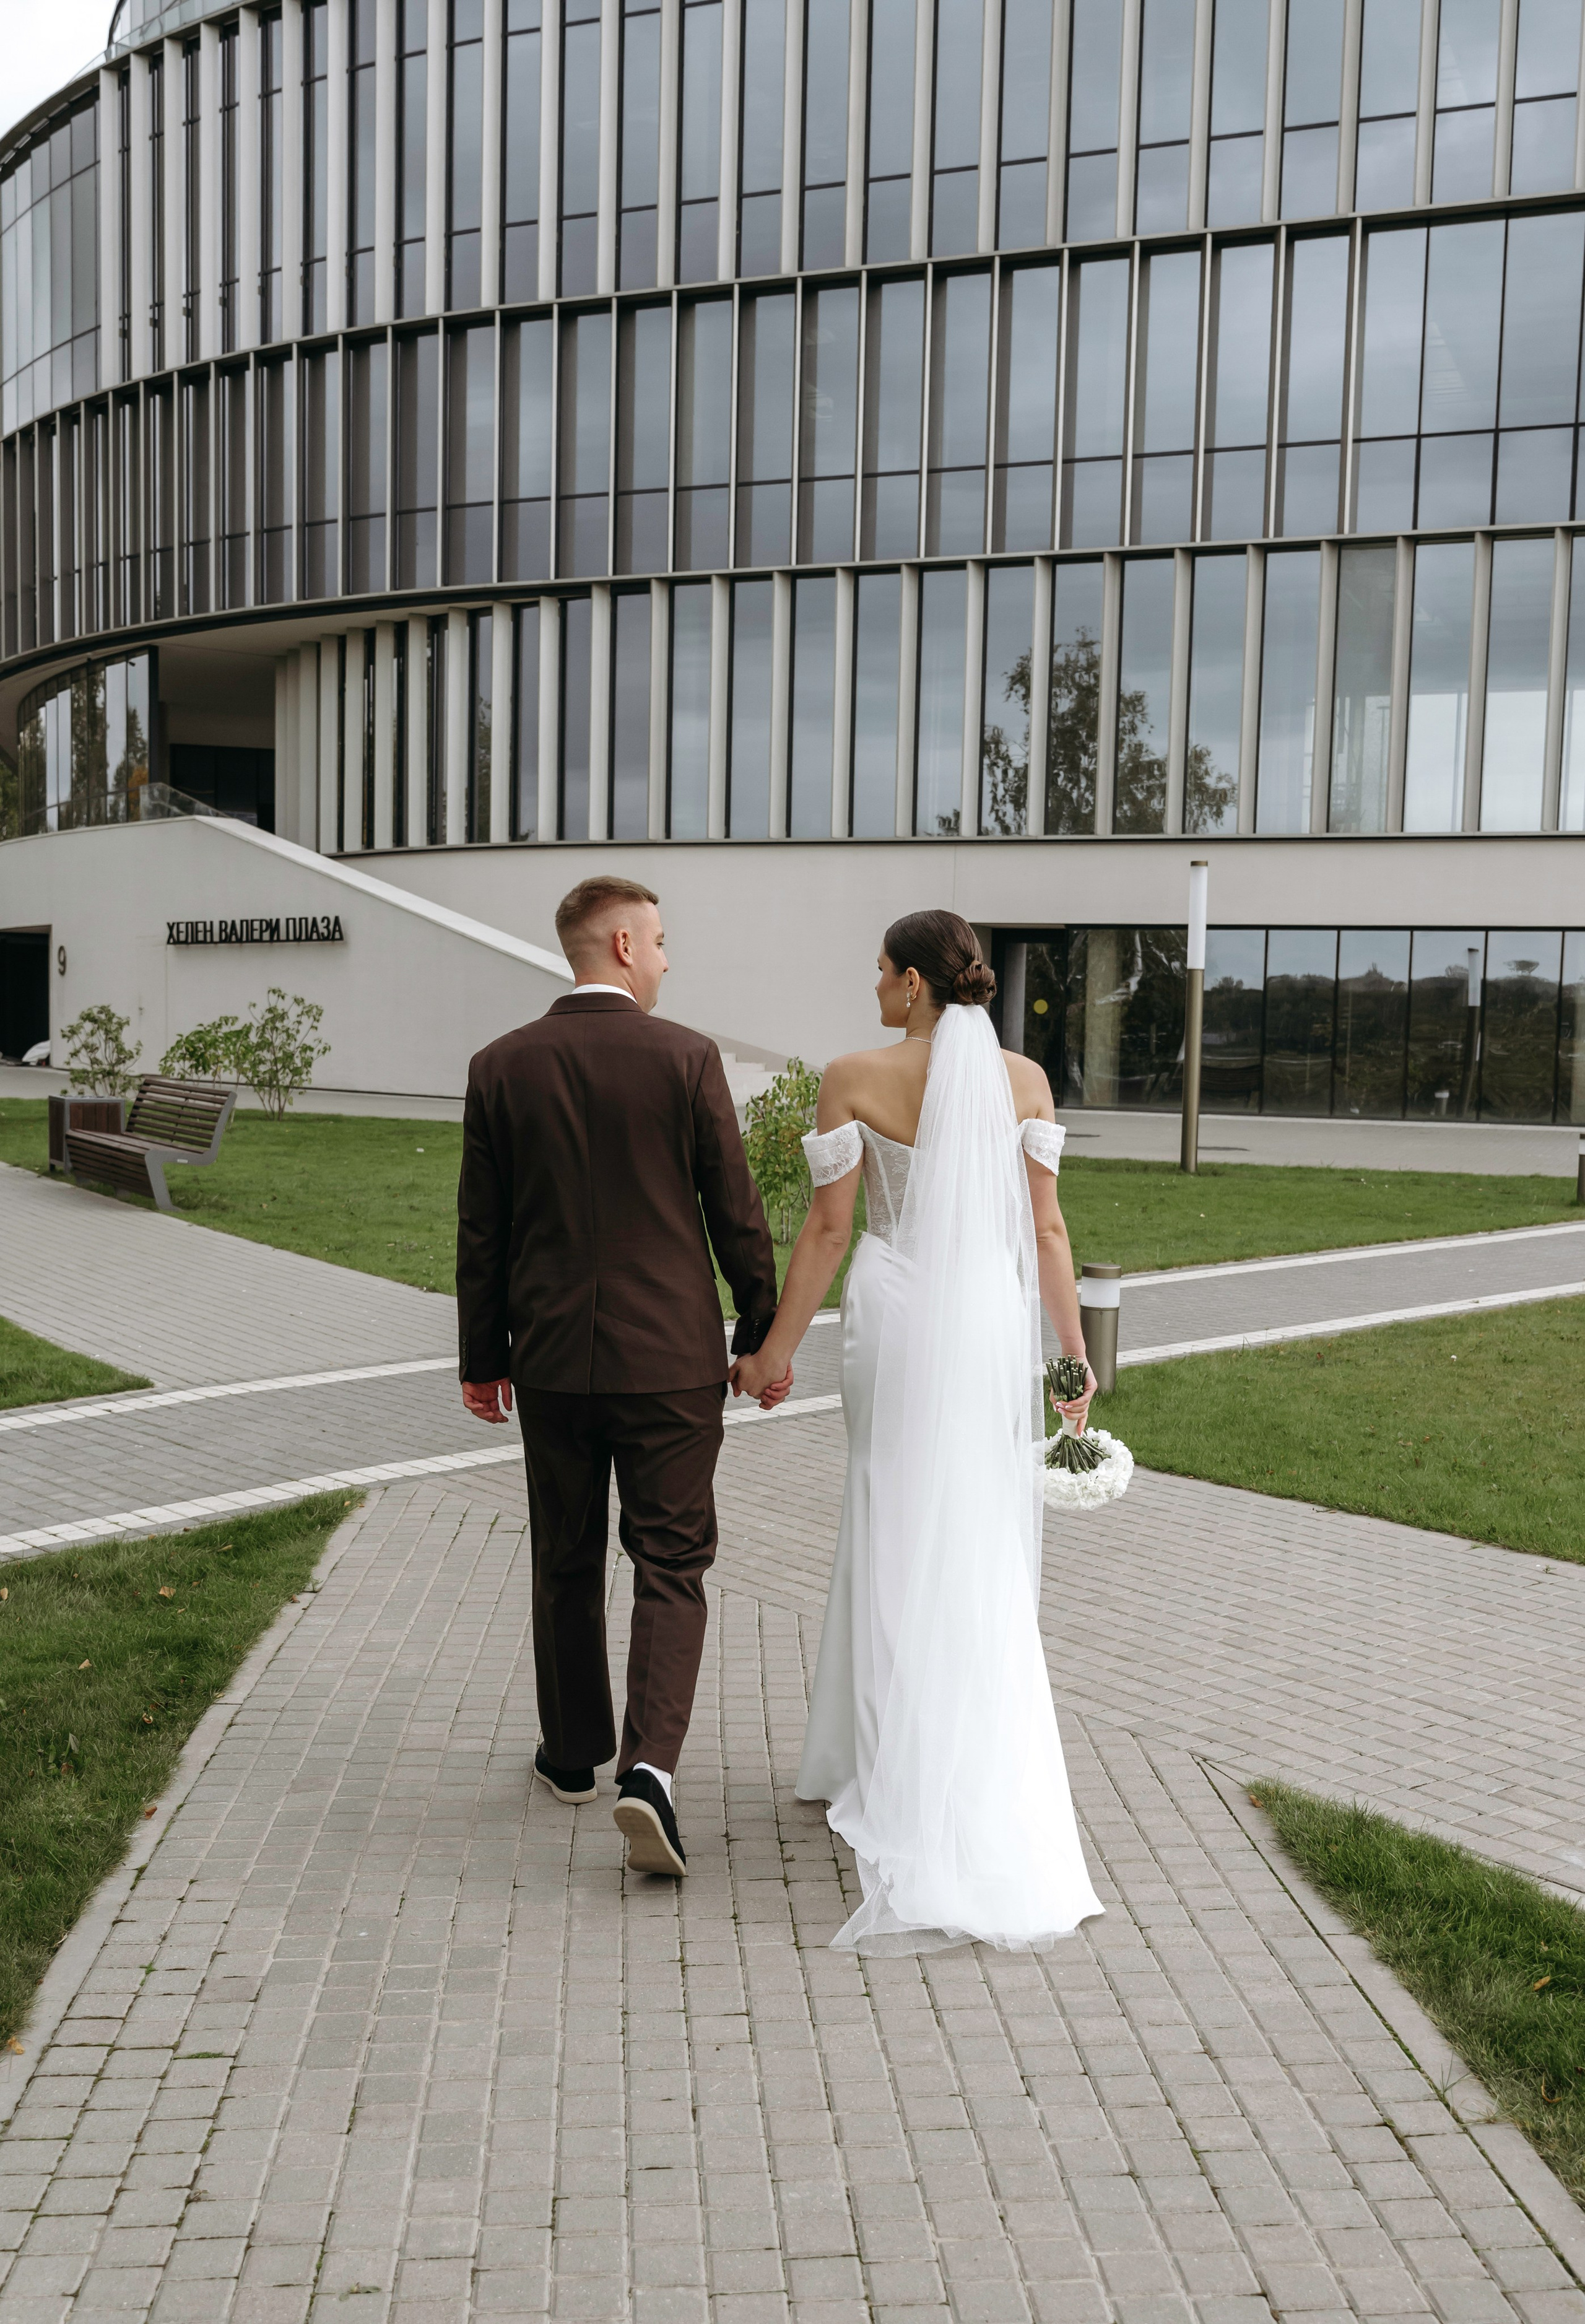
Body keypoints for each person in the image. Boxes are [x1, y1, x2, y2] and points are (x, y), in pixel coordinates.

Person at [730, 910, 1105, 1953]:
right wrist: (1071, 1361)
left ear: (908, 982)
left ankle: (886, 1763)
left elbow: (831, 1229)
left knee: (888, 1513)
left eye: (880, 973)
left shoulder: (854, 1076)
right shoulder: (1024, 1082)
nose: (875, 990)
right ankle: (920, 1755)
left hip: (895, 1313)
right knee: (975, 1530)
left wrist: (769, 1352)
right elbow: (1046, 1230)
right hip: (989, 1322)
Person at [456, 875, 788, 1878]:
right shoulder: (686, 1057)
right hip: (671, 1362)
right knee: (671, 1564)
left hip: (552, 1361)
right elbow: (735, 1208)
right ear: (623, 944)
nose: (668, 958)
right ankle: (652, 1771)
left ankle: (571, 1756)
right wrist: (758, 1329)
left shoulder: (500, 1065)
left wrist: (483, 1357)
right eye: (660, 940)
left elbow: (483, 1227)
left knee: (564, 1554)